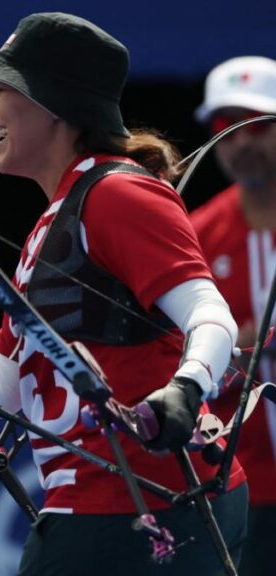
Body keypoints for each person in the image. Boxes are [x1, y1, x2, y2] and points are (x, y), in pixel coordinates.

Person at [0, 13, 248, 575]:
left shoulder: (117, 194)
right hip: (98, 514)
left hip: (146, 512)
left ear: (55, 101)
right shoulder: (58, 217)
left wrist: (185, 389)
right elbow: (6, 385)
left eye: (1, 89)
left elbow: (209, 314)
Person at [190, 55, 276, 576]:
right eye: (227, 126)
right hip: (243, 482)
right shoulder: (194, 235)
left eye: (259, 124)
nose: (241, 142)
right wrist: (246, 343)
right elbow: (174, 358)